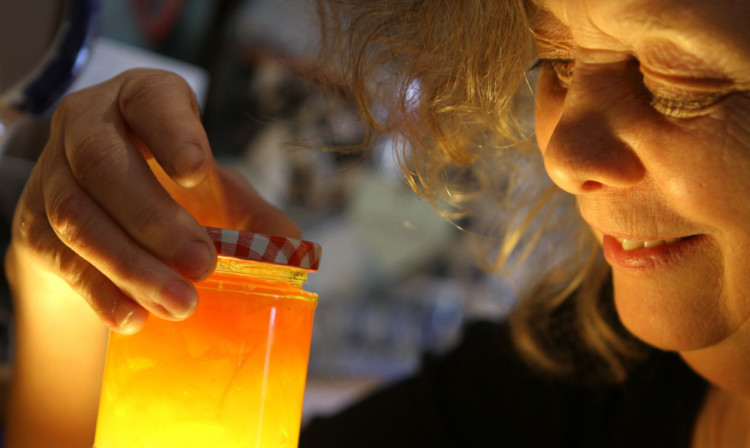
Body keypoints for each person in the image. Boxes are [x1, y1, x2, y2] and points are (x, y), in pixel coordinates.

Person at [4, 0, 750, 446]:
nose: (564, 156)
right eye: (557, 62)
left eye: (679, 84)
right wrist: (77, 285)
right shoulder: (566, 383)